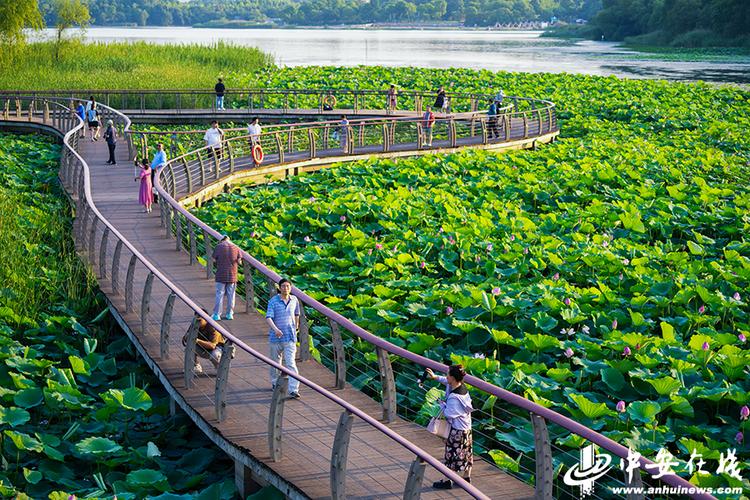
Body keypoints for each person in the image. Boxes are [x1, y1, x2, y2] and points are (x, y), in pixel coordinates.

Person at [425, 364, 474, 489]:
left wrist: (441, 403)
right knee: (467, 452)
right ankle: (466, 477)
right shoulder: (461, 387)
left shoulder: (454, 397)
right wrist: (435, 377)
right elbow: (445, 381)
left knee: (451, 454)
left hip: (457, 430)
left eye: (447, 374)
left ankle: (447, 481)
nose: (446, 376)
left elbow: (448, 414)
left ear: (452, 377)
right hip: (466, 428)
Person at [266, 278, 301, 400]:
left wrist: (296, 326)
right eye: (283, 286)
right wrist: (275, 329)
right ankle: (275, 382)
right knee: (275, 363)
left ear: (290, 288)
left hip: (290, 337)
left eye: (288, 286)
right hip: (275, 337)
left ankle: (293, 389)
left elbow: (297, 314)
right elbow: (269, 317)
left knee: (291, 363)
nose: (285, 288)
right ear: (279, 288)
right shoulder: (273, 301)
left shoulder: (294, 300)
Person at [212, 235, 241, 321]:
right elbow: (239, 261)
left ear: (221, 240)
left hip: (221, 274)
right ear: (229, 239)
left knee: (219, 294)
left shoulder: (218, 247)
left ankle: (217, 314)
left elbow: (213, 260)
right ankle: (229, 314)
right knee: (231, 295)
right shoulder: (236, 247)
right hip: (232, 275)